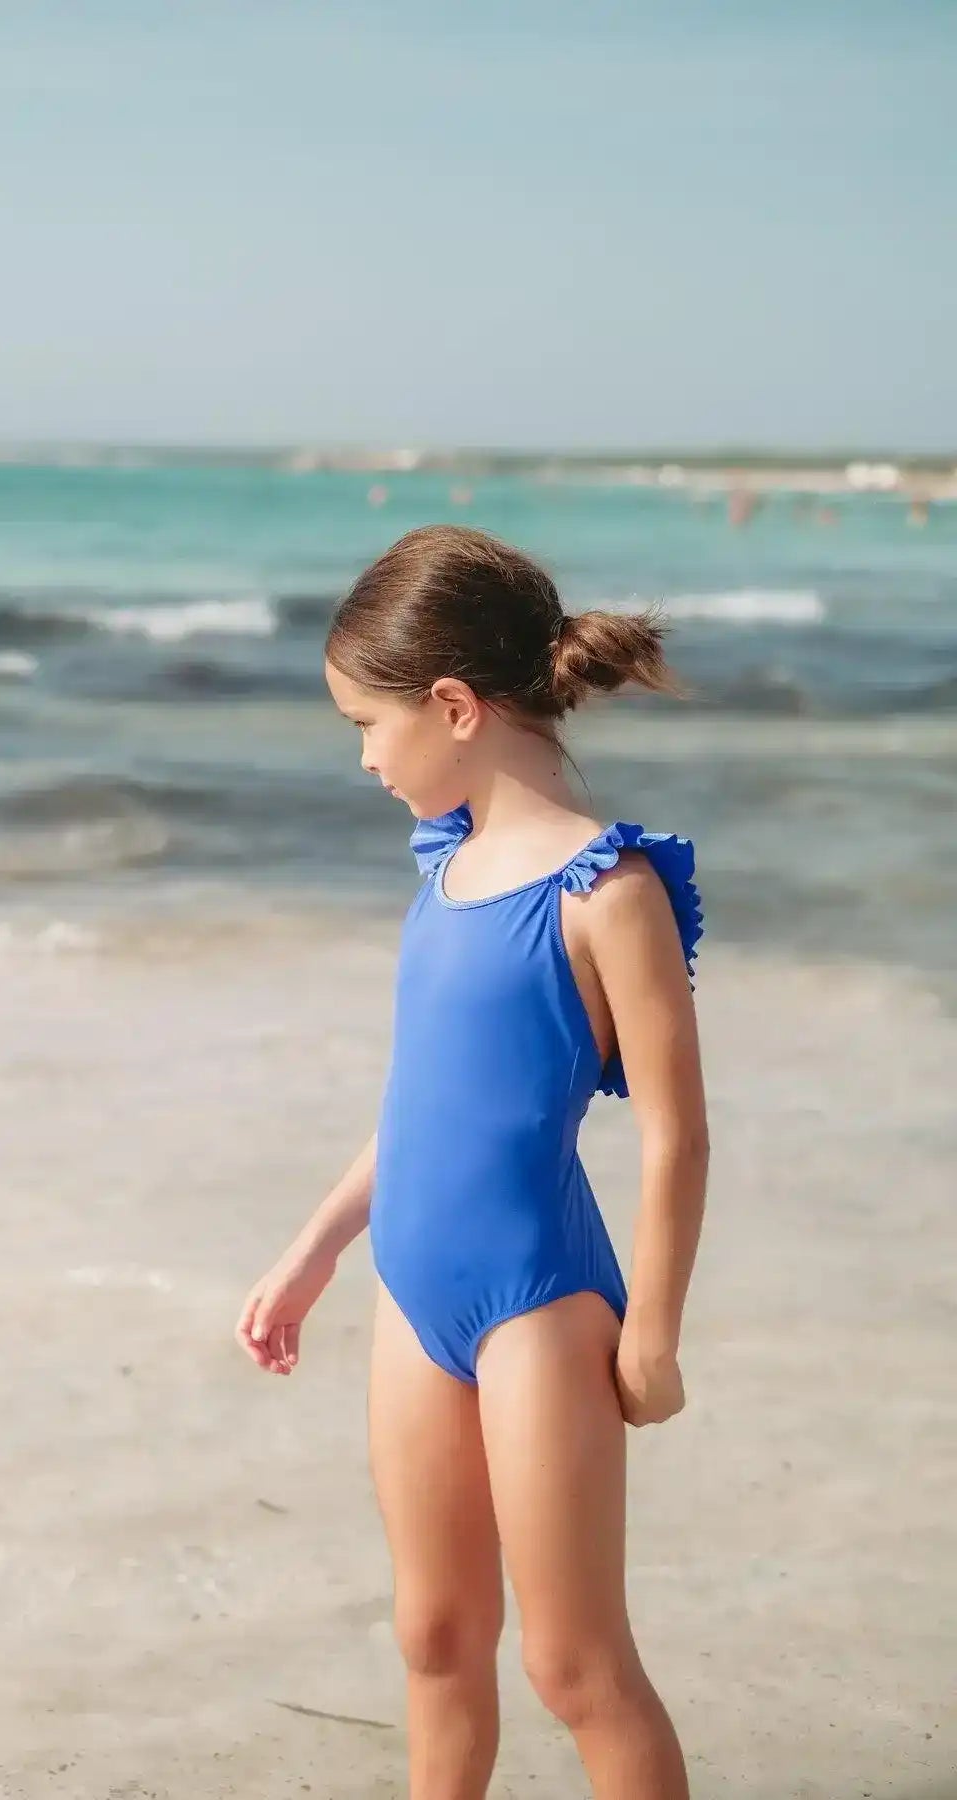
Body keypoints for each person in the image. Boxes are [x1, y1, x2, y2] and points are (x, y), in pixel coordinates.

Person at [235, 523, 709, 1799]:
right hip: (412, 1296)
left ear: (452, 706)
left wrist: (652, 1333)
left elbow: (674, 1131)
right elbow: (422, 1106)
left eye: (365, 728)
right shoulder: (443, 872)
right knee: (435, 1638)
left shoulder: (607, 892)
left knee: (574, 1665)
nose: (366, 761)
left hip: (539, 1309)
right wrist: (312, 1250)